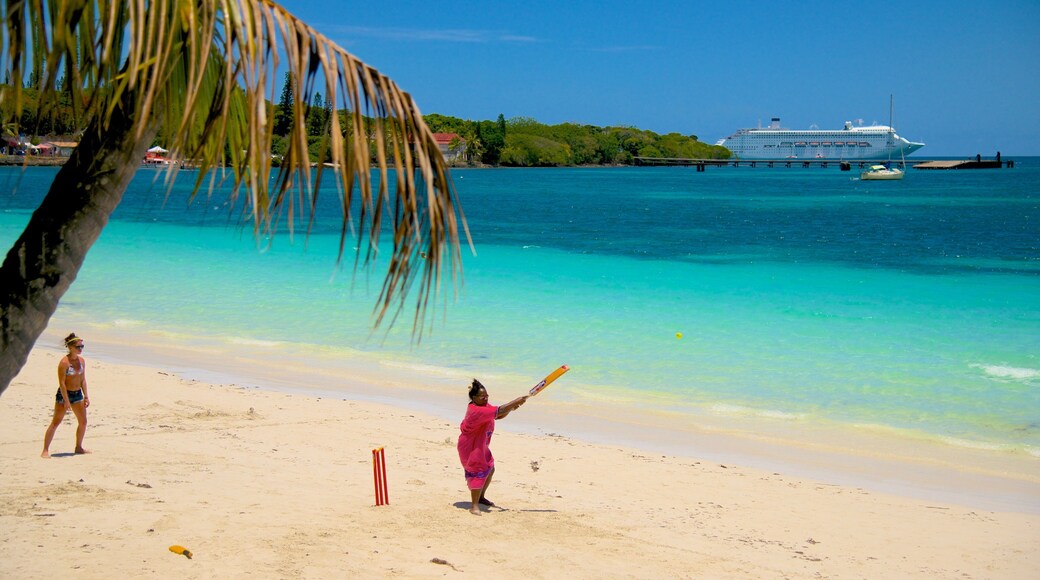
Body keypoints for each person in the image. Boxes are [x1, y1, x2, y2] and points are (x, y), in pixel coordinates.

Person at [457, 379, 527, 515]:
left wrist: (512, 408)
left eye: (487, 396)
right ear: (473, 398)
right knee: (477, 470)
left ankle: (481, 497)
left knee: (490, 467)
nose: (486, 399)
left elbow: (498, 415)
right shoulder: (475, 411)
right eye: (483, 397)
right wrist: (515, 401)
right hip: (470, 446)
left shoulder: (484, 406)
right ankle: (474, 506)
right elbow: (500, 410)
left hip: (481, 444)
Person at [42, 333, 91, 458]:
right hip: (65, 394)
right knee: (56, 422)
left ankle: (78, 447)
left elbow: (83, 380)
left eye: (82, 347)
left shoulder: (82, 361)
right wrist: (66, 400)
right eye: (78, 347)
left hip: (77, 394)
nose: (81, 349)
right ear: (70, 347)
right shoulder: (64, 362)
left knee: (83, 422)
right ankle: (45, 450)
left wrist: (86, 396)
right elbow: (62, 383)